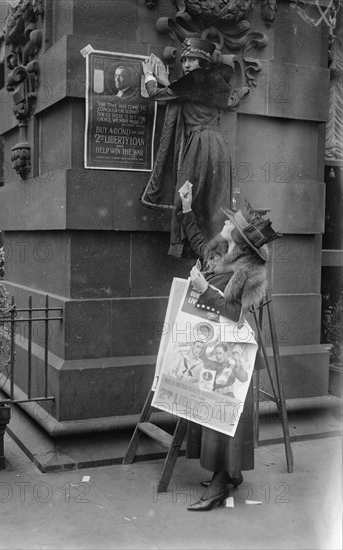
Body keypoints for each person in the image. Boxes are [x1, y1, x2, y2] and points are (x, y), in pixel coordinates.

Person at [177, 187, 282, 511]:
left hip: (235, 352)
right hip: (216, 347)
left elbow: (235, 313)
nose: (222, 226)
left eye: (228, 225)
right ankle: (229, 475)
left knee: (225, 419)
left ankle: (221, 485)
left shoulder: (247, 272)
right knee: (213, 414)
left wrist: (202, 289)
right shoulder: (225, 253)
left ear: (237, 238)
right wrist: (186, 208)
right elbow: (199, 244)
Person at [140, 37, 234, 258]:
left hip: (200, 143)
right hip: (218, 145)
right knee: (214, 200)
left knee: (186, 195)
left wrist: (148, 74)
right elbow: (184, 92)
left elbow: (156, 95)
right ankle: (215, 253)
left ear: (202, 62)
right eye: (184, 60)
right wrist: (167, 81)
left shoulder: (193, 80)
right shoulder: (213, 80)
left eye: (192, 59)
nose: (187, 65)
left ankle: (191, 248)